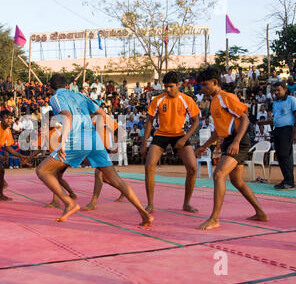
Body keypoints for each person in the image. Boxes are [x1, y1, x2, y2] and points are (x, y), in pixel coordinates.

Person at [35, 74, 153, 226]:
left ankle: (68, 203)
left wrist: (62, 143)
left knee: (42, 171)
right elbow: (102, 114)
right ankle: (144, 214)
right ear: (67, 85)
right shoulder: (80, 95)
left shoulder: (55, 98)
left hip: (76, 138)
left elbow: (67, 116)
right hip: (94, 138)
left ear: (50, 88)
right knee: (115, 179)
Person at [196, 67, 268, 230]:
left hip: (239, 140)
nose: (203, 88)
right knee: (236, 180)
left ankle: (214, 218)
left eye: (206, 85)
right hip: (229, 140)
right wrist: (204, 146)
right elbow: (218, 131)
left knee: (219, 174)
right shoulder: (214, 102)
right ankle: (260, 212)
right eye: (202, 85)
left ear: (215, 83)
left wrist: (236, 141)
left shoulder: (226, 97)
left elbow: (245, 119)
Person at [141, 72, 200, 214]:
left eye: (171, 87)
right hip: (161, 135)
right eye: (165, 87)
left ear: (178, 85)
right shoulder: (158, 100)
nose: (167, 90)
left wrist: (184, 139)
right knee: (149, 166)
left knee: (193, 169)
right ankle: (150, 204)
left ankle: (186, 203)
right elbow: (149, 121)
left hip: (179, 135)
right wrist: (144, 143)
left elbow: (196, 121)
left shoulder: (187, 100)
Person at [259, 82, 296, 190]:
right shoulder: (276, 103)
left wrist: (294, 133)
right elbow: (276, 119)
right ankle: (286, 179)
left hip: (287, 130)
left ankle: (290, 182)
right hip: (277, 130)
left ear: (285, 89)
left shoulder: (292, 100)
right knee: (279, 156)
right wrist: (263, 123)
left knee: (285, 155)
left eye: (278, 90)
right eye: (274, 90)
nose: (276, 92)